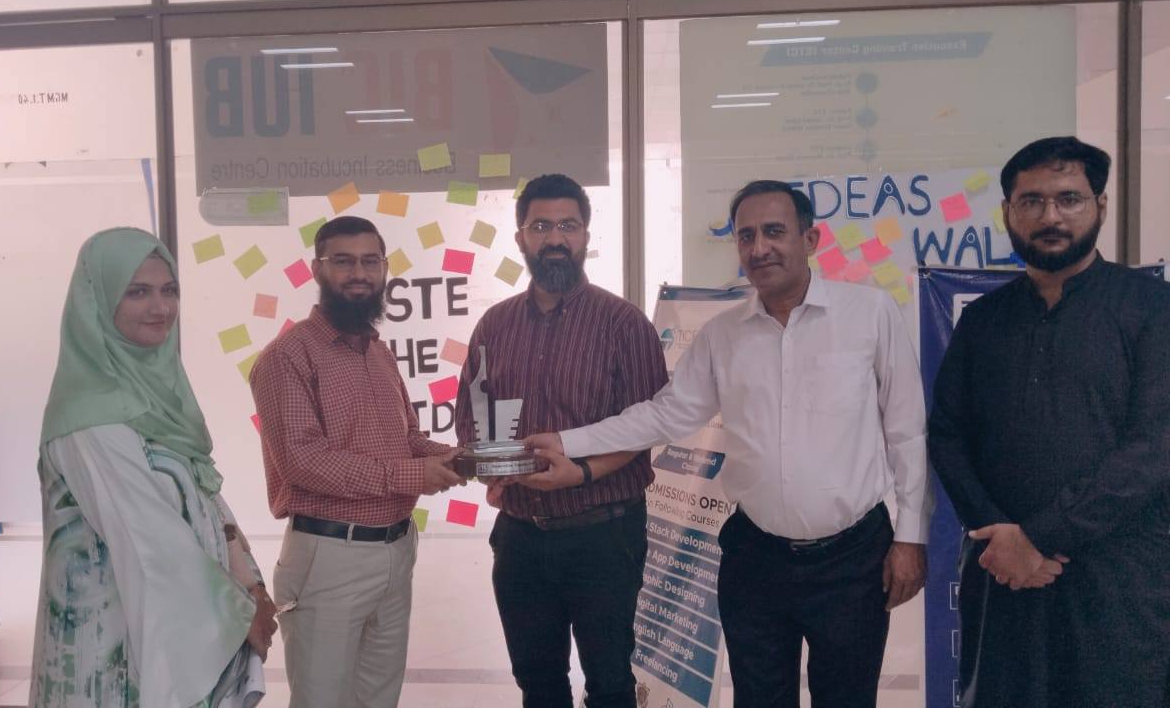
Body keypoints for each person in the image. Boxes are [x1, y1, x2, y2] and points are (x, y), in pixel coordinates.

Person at [527, 180, 933, 708]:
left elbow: (907, 431)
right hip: (756, 559)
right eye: (746, 236)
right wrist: (567, 441)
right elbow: (665, 414)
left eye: (774, 232)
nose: (759, 248)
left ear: (810, 239)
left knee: (847, 698)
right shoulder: (723, 335)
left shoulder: (870, 314)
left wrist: (911, 538)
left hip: (852, 560)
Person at [928, 136, 1170, 707]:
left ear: (1100, 206)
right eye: (1031, 201)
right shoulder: (984, 320)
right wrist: (998, 531)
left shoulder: (1152, 308)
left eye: (1069, 198)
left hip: (1119, 579)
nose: (1050, 216)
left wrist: (1040, 537)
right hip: (1004, 574)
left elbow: (1154, 446)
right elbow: (948, 434)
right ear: (1008, 212)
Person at [30, 227, 276, 708]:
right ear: (98, 300)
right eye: (137, 292)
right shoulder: (90, 416)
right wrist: (238, 613)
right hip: (110, 657)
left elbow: (205, 497)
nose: (160, 307)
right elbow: (150, 537)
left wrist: (251, 585)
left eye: (169, 290)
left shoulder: (158, 399)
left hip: (174, 636)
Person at [453, 173, 668, 708]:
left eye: (568, 226)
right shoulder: (495, 325)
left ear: (586, 235)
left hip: (604, 537)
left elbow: (648, 425)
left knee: (610, 684)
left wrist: (583, 471)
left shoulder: (624, 324)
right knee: (538, 683)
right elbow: (471, 417)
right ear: (521, 237)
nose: (555, 238)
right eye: (541, 226)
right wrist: (490, 467)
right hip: (520, 538)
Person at [250, 216, 462, 708]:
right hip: (329, 556)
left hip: (396, 550)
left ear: (385, 269)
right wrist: (415, 475)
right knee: (322, 701)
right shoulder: (288, 356)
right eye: (343, 262)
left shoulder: (378, 352)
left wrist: (461, 458)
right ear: (317, 270)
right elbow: (304, 461)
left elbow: (405, 439)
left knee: (378, 699)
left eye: (370, 262)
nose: (359, 274)